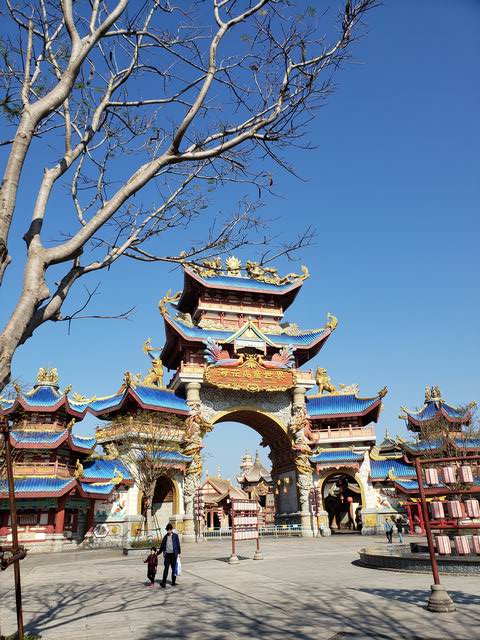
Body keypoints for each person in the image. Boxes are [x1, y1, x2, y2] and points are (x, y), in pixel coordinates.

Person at [157, 523, 181, 588]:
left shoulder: (175, 536)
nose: (169, 531)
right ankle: (163, 583)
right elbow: (162, 546)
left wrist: (178, 553)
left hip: (173, 555)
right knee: (166, 569)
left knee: (174, 569)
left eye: (170, 529)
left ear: (172, 529)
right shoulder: (165, 537)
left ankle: (173, 582)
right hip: (167, 555)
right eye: (168, 530)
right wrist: (157, 553)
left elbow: (178, 544)